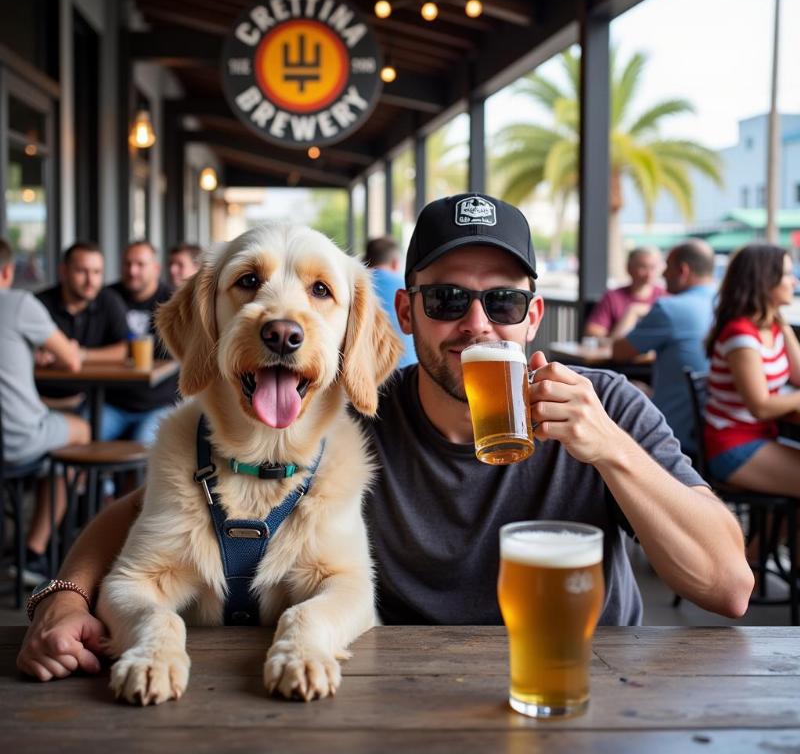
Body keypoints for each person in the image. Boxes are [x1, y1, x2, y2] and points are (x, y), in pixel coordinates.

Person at [16, 194, 753, 681]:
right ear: (404, 313)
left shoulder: (603, 406)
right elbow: (154, 505)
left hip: (588, 695)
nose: (476, 325)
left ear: (533, 317)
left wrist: (612, 452)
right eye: (446, 299)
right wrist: (61, 594)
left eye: (502, 301)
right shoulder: (350, 418)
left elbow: (728, 586)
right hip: (401, 704)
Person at [0, 238, 91, 584]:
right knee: (80, 431)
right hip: (16, 440)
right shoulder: (20, 303)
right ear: (8, 271)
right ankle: (37, 551)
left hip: (20, 431)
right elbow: (70, 359)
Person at [704, 244, 800, 492]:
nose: (794, 281)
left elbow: (798, 376)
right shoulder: (741, 335)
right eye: (787, 274)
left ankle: (770, 532)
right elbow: (760, 406)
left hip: (764, 437)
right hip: (734, 445)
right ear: (765, 281)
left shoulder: (771, 326)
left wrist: (784, 325)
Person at [611, 239, 716, 456]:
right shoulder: (724, 303)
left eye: (667, 267)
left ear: (683, 270)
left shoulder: (670, 308)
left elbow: (618, 351)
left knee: (615, 393)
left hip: (674, 434)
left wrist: (631, 312)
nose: (663, 275)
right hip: (714, 427)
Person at [36, 242, 129, 410]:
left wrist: (82, 354)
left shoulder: (109, 301)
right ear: (64, 271)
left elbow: (124, 349)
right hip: (38, 401)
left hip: (87, 401)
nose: (90, 281)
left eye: (96, 272)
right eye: (81, 271)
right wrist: (34, 356)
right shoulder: (38, 304)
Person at [102, 241, 177, 444]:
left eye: (140, 264)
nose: (132, 271)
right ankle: (103, 478)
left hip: (158, 404)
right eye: (127, 264)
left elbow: (176, 354)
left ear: (156, 268)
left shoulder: (173, 302)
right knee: (83, 440)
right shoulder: (106, 297)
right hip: (111, 403)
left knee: (142, 450)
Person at [584, 247, 666, 340]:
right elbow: (592, 331)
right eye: (643, 267)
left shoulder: (666, 296)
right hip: (618, 352)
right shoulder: (612, 297)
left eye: (653, 267)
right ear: (628, 268)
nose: (649, 274)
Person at [364, 236, 417, 368]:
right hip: (407, 372)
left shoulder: (356, 287)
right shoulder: (407, 287)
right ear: (395, 263)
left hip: (364, 376)